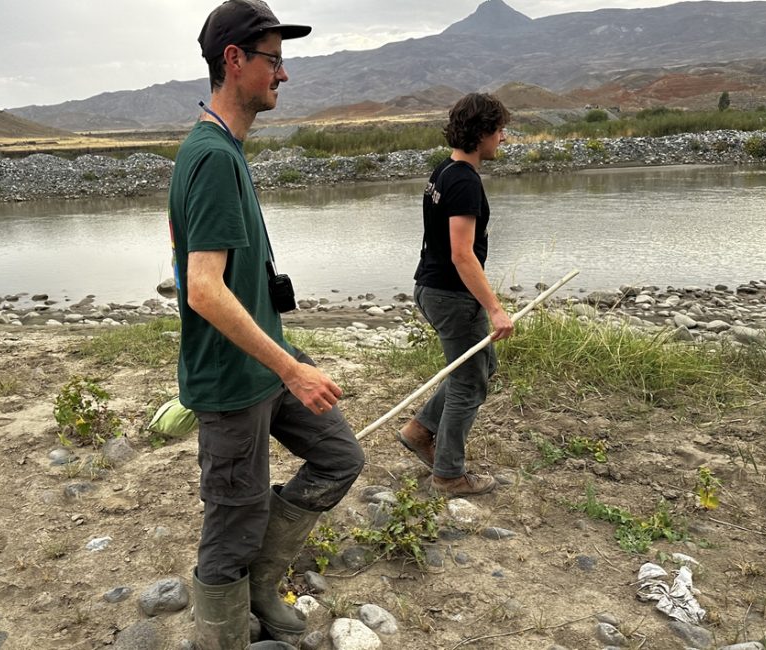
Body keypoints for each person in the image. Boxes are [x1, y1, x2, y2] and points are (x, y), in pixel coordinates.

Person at [167, 2, 365, 648]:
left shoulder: (221, 148)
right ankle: (222, 632)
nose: (284, 76)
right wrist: (291, 367)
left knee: (340, 456)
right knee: (231, 525)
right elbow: (202, 289)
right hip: (233, 383)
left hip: (263, 366)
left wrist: (280, 356)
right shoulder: (213, 157)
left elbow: (201, 259)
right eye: (274, 61)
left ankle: (261, 585)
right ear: (234, 61)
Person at [396, 93, 514, 497]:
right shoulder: (463, 180)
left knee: (479, 368)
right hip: (451, 294)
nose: (503, 138)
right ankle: (448, 474)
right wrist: (495, 309)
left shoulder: (444, 170)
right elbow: (462, 254)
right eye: (499, 131)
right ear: (481, 133)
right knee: (469, 382)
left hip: (433, 288)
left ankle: (419, 430)